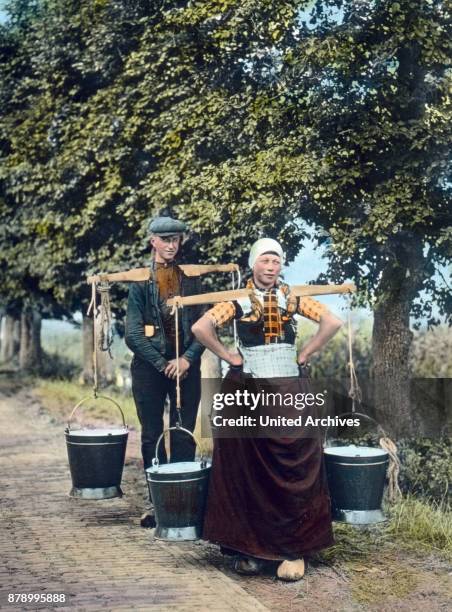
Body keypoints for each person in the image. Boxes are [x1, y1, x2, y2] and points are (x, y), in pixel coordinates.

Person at [192, 238, 343, 581]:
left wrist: (305, 354)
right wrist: (229, 356)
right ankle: (251, 550)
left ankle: (292, 551)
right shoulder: (239, 300)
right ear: (253, 265)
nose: (271, 267)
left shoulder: (293, 298)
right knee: (246, 468)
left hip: (289, 386)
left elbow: (332, 322)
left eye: (276, 261)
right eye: (265, 261)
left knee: (293, 466)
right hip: (248, 387)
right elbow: (201, 328)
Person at [125, 216, 205, 527]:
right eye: (165, 239)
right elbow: (132, 334)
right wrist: (162, 364)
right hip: (149, 370)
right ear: (153, 242)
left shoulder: (192, 280)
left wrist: (186, 359)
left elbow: (204, 327)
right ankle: (157, 504)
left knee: (184, 433)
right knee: (151, 435)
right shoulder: (139, 285)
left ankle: (181, 504)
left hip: (187, 368)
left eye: (176, 239)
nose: (171, 245)